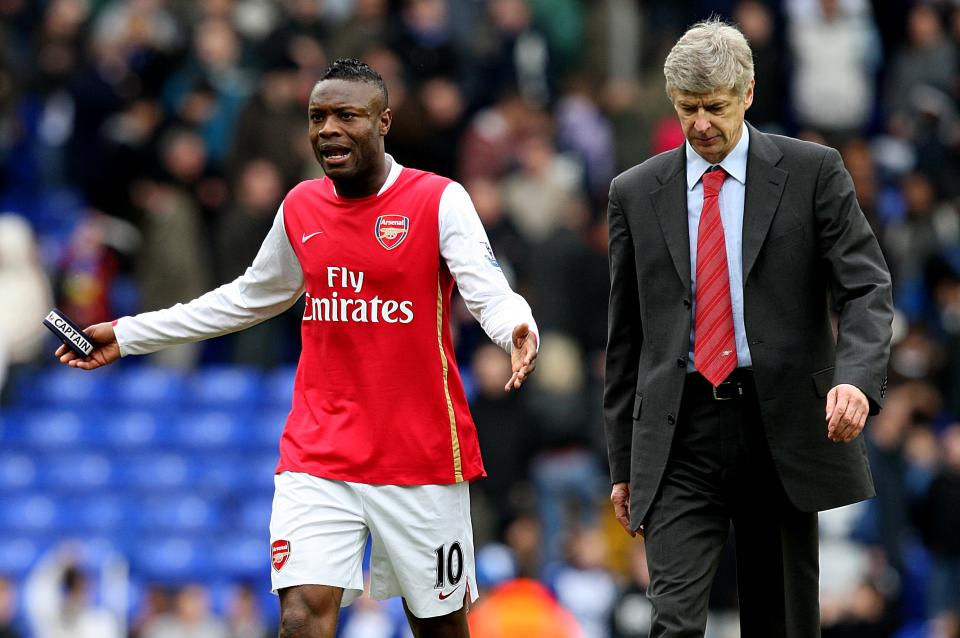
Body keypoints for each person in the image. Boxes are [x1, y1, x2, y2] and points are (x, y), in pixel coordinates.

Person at [56, 58, 539, 638]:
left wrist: (516, 326)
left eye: (347, 115)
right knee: (300, 615)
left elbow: (489, 292)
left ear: (384, 122)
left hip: (420, 456)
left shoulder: (438, 200)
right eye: (317, 117)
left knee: (439, 628)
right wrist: (128, 334)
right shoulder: (301, 208)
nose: (328, 129)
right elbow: (243, 299)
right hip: (320, 452)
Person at [603, 20, 893, 637]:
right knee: (672, 624)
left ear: (749, 93)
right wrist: (623, 464)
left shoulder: (813, 172)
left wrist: (856, 380)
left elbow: (866, 286)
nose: (701, 123)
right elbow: (625, 339)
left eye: (715, 107)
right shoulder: (633, 193)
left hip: (781, 426)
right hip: (679, 432)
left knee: (781, 622)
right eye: (687, 109)